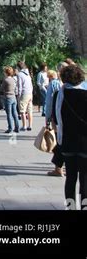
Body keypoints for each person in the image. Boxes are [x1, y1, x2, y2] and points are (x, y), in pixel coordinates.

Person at [55, 63, 87, 209]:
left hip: (67, 142)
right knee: (85, 180)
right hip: (84, 143)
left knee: (70, 179)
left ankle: (71, 207)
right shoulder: (85, 95)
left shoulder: (59, 95)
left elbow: (56, 119)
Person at [1, 67, 19, 134]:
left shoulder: (5, 80)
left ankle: (10, 128)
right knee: (15, 113)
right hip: (13, 97)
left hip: (8, 97)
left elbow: (2, 88)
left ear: (6, 73)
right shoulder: (13, 79)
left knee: (9, 114)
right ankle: (17, 127)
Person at [17, 61, 34, 131]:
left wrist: (19, 95)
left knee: (22, 110)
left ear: (18, 67)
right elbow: (31, 85)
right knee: (29, 110)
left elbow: (20, 86)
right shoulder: (27, 74)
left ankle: (24, 126)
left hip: (24, 93)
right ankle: (30, 125)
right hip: (30, 93)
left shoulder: (19, 74)